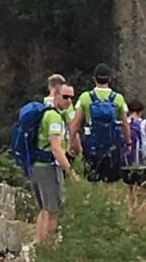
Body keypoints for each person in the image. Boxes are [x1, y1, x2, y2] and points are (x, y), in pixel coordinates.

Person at [30, 82, 79, 242]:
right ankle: (48, 247)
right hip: (48, 167)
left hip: (37, 166)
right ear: (56, 95)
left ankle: (40, 244)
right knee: (53, 210)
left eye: (72, 97)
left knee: (44, 209)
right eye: (65, 97)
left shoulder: (49, 113)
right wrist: (71, 172)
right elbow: (56, 149)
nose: (69, 101)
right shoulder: (54, 117)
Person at [70, 64, 130, 185]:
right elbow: (125, 124)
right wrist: (128, 143)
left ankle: (95, 202)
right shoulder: (118, 98)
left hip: (91, 146)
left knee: (93, 181)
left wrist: (71, 143)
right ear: (109, 79)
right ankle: (110, 203)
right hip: (111, 146)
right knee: (111, 184)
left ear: (94, 78)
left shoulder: (85, 97)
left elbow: (75, 124)